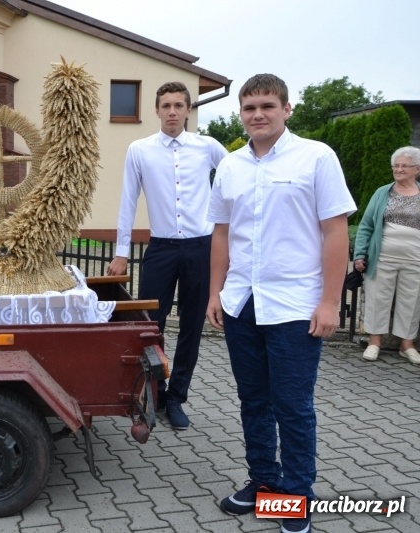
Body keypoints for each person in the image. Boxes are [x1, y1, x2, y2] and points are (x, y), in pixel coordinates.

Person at [206, 74, 355, 533]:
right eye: (249, 108)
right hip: (243, 302)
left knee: (291, 405)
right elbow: (222, 233)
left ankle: (296, 496)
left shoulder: (316, 157)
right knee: (253, 400)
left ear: (286, 109)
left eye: (267, 106)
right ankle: (264, 482)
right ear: (241, 113)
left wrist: (330, 302)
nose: (258, 115)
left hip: (295, 305)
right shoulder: (230, 166)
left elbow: (335, 232)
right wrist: (215, 293)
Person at [107, 81, 227, 430]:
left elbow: (236, 180)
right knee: (150, 325)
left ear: (188, 110)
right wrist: (121, 252)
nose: (172, 112)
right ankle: (155, 393)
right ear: (157, 110)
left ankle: (176, 398)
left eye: (178, 105)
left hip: (200, 248)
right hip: (161, 249)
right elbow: (128, 200)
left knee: (191, 326)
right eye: (166, 106)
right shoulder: (140, 150)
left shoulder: (208, 147)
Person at [353, 146, 420, 364]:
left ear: (417, 169)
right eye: (396, 166)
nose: (398, 170)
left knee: (411, 302)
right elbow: (366, 225)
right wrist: (360, 254)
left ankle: (407, 345)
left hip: (415, 259)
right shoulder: (382, 193)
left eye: (404, 166)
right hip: (383, 257)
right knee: (378, 298)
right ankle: (374, 342)